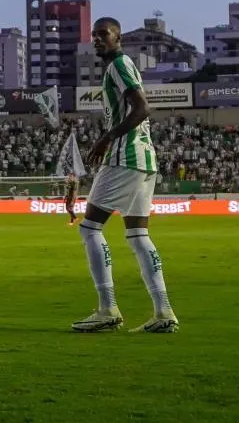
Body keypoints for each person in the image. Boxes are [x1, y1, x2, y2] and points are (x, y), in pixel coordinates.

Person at [75, 17, 178, 334]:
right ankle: (163, 312)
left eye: (103, 34)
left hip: (126, 155)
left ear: (118, 37)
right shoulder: (120, 66)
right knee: (138, 235)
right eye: (94, 35)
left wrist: (107, 138)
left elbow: (142, 108)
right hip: (145, 159)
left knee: (90, 228)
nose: (97, 39)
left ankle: (108, 307)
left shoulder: (118, 64)